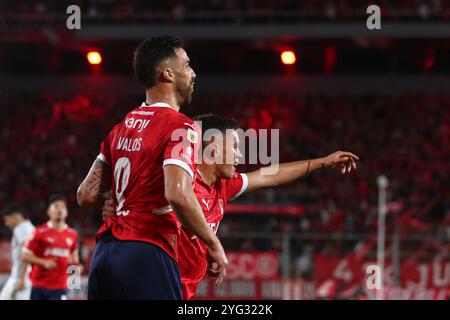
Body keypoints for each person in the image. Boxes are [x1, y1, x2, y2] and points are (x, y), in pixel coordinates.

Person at [103, 113, 360, 299]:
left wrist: (321, 163)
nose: (239, 155)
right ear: (212, 150)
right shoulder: (180, 184)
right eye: (234, 147)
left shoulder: (223, 187)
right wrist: (113, 206)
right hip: (152, 286)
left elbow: (269, 175)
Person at [77, 35, 228, 300]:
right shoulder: (181, 126)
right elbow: (178, 193)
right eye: (187, 65)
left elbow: (85, 195)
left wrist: (116, 201)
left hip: (104, 253)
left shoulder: (120, 127)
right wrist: (212, 243)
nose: (193, 73)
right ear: (168, 74)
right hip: (147, 252)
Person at [22, 195, 80, 300]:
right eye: (56, 207)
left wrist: (75, 273)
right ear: (49, 211)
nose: (59, 210)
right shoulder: (39, 232)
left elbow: (74, 259)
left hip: (60, 287)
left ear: (66, 212)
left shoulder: (73, 234)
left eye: (62, 207)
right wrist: (43, 262)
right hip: (39, 285)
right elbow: (24, 256)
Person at [0, 206, 35, 300]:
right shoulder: (28, 227)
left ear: (15, 216)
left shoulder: (21, 228)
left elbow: (27, 254)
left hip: (21, 277)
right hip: (20, 276)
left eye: (7, 220)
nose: (6, 224)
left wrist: (22, 278)